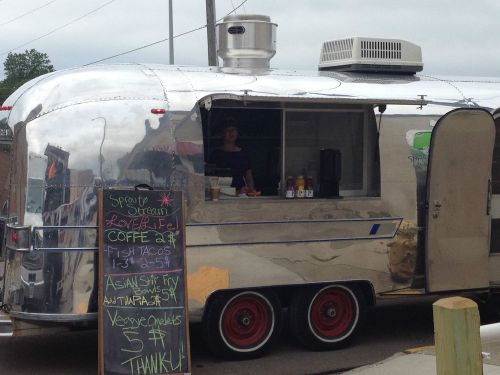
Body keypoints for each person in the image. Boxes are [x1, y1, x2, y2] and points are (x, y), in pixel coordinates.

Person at [209, 118, 256, 194]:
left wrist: (251, 190)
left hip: (241, 194)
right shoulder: (216, 154)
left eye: (233, 130)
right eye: (228, 130)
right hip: (220, 193)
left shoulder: (243, 154)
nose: (231, 133)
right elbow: (211, 178)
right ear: (222, 133)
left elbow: (248, 176)